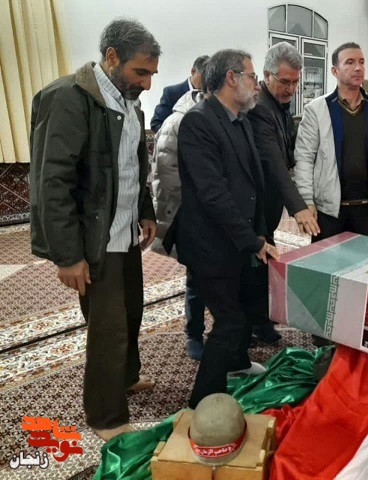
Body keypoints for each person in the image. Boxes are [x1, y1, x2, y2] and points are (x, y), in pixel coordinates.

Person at [29, 19, 161, 441]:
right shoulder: (67, 98)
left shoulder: (129, 102)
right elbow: (51, 183)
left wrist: (145, 211)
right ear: (111, 57)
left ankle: (125, 377)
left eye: (152, 74)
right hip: (93, 239)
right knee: (108, 327)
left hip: (124, 233)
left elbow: (133, 167)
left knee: (131, 311)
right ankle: (106, 416)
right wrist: (68, 256)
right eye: (141, 72)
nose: (147, 83)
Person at [173, 49, 280, 409]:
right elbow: (213, 194)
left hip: (238, 240)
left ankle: (237, 363)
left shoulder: (240, 119)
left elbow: (253, 184)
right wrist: (252, 241)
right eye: (252, 77)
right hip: (210, 245)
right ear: (231, 78)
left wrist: (259, 235)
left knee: (246, 307)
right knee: (230, 322)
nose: (257, 85)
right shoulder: (199, 122)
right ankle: (200, 403)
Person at [247, 42, 320, 344]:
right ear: (266, 75)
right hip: (252, 206)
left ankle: (260, 322)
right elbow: (273, 163)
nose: (291, 89)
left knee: (262, 264)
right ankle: (247, 330)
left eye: (295, 82)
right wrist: (299, 207)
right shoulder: (259, 107)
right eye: (285, 81)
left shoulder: (279, 106)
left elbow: (288, 155)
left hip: (268, 207)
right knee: (252, 267)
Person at [294, 41, 368, 243]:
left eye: (361, 62)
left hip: (364, 207)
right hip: (329, 210)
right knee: (324, 260)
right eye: (349, 62)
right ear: (335, 71)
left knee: (358, 261)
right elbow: (304, 158)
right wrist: (306, 200)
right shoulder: (317, 110)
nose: (358, 68)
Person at [149, 88, 208, 360]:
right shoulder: (177, 122)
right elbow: (167, 174)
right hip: (191, 214)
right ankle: (194, 333)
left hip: (218, 214)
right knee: (197, 277)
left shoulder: (228, 116)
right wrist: (200, 202)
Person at [150, 55, 208, 132]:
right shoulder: (171, 93)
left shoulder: (213, 96)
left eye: (210, 77)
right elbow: (156, 123)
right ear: (193, 71)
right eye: (204, 76)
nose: (207, 81)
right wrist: (176, 134)